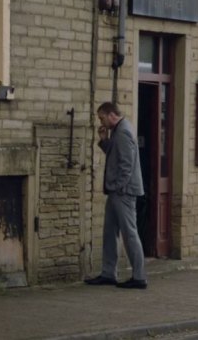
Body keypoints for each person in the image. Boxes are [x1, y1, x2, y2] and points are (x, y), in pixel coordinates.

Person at [84, 102, 148, 289]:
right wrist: (104, 140)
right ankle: (108, 273)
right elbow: (115, 155)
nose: (101, 122)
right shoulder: (118, 131)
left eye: (102, 118)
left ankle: (139, 276)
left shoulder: (124, 132)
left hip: (124, 192)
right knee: (109, 232)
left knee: (129, 233)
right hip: (116, 191)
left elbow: (126, 166)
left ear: (112, 115)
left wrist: (118, 187)